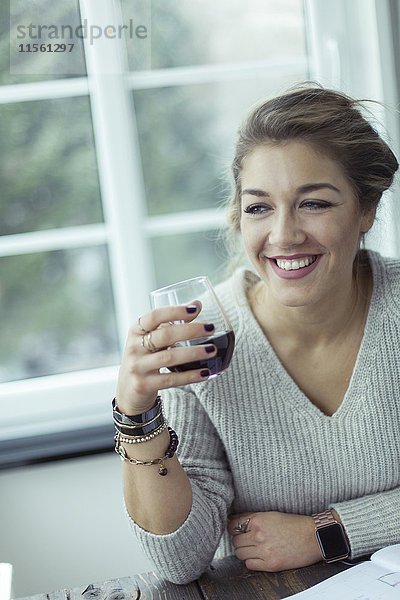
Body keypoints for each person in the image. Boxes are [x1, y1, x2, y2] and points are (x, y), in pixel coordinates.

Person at [114, 84, 400, 584]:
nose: (284, 235)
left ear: (366, 210)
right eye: (259, 207)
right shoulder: (201, 336)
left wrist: (328, 532)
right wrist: (136, 415)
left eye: (313, 203)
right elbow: (179, 563)